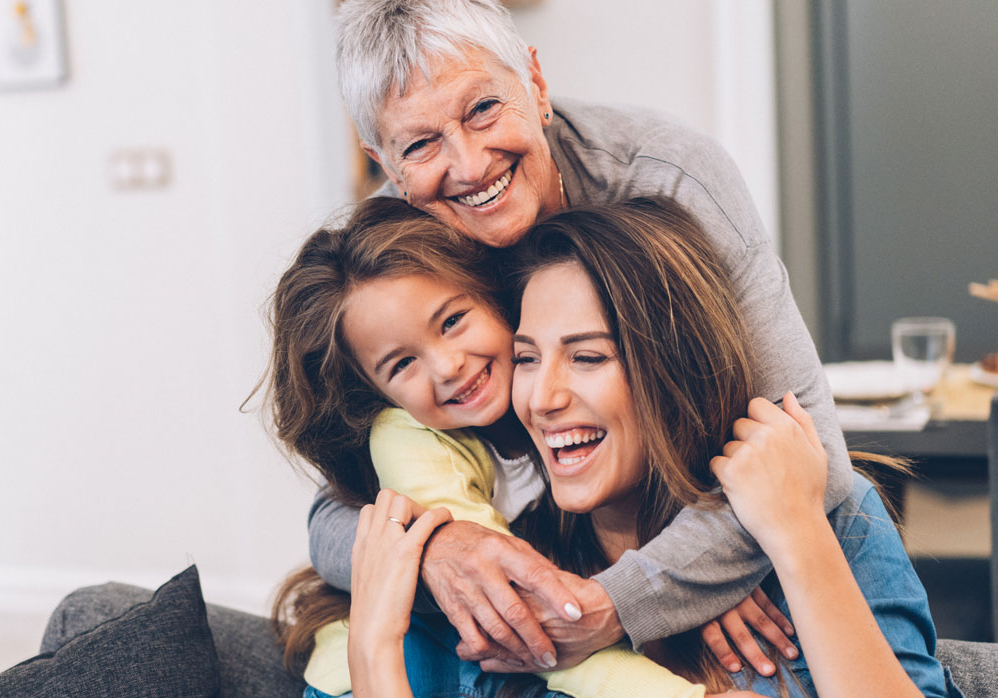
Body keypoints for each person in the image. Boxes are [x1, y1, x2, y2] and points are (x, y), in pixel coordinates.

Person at [308, 0, 852, 675]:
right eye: (419, 145)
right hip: (558, 554)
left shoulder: (667, 179)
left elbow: (808, 454)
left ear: (534, 84)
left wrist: (624, 596)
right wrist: (440, 547)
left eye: (481, 109)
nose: (469, 164)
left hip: (695, 541)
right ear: (381, 159)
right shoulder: (396, 249)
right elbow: (332, 518)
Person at [322, 199, 957, 697]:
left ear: (675, 368)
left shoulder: (832, 521)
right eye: (525, 358)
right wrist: (375, 650)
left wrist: (795, 536)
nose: (541, 398)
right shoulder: (527, 567)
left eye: (589, 356)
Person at [268, 196, 714, 697]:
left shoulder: (555, 411)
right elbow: (517, 609)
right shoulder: (408, 441)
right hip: (396, 669)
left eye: (452, 321)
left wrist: (695, 587)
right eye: (401, 365)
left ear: (494, 296)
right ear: (376, 394)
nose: (447, 366)